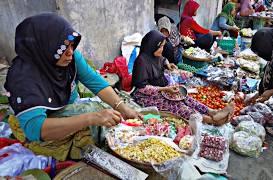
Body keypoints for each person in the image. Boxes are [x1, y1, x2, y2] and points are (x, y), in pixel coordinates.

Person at [4, 13, 141, 160]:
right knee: (96, 113)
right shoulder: (23, 79)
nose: (70, 52)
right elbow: (36, 129)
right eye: (62, 47)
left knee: (121, 110)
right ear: (45, 46)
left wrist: (122, 106)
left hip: (66, 108)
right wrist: (91, 118)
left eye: (71, 45)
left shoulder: (71, 57)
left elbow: (94, 80)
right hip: (43, 124)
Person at [132, 30, 234, 126]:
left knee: (185, 97)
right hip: (146, 97)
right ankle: (211, 120)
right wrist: (165, 89)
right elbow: (142, 88)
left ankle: (212, 112)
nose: (162, 49)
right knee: (178, 107)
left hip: (161, 90)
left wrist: (168, 64)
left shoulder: (155, 56)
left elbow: (163, 59)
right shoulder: (141, 62)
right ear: (153, 46)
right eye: (161, 47)